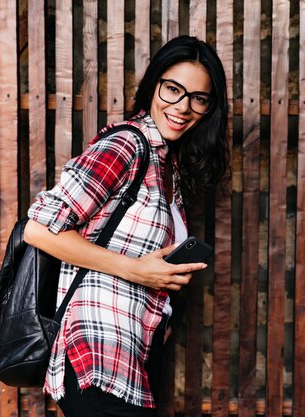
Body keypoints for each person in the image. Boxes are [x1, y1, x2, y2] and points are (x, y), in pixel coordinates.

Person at [24, 35, 229, 416]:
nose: (182, 107)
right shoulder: (126, 146)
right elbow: (39, 229)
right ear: (153, 86)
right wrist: (137, 271)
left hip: (133, 353)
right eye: (172, 89)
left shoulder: (167, 166)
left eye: (198, 98)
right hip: (96, 350)